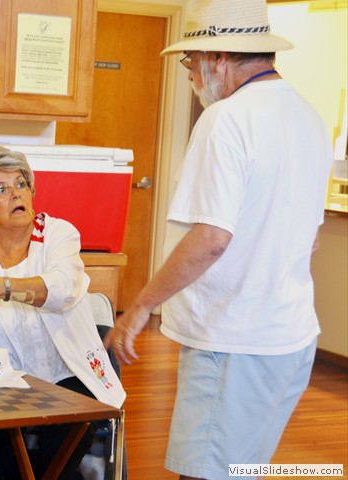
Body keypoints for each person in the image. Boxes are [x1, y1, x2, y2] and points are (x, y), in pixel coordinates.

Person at [106, 0, 334, 479]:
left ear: (218, 59)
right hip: (290, 338)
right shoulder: (309, 118)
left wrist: (141, 306)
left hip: (234, 340)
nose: (190, 73)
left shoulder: (226, 119)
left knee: (208, 474)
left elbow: (211, 238)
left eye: (191, 61)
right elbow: (310, 239)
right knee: (241, 471)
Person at [0, 145, 126, 479]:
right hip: (13, 378)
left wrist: (1, 285)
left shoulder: (58, 234)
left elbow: (61, 288)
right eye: (1, 189)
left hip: (75, 375)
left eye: (21, 184)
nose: (16, 193)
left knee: (68, 428)